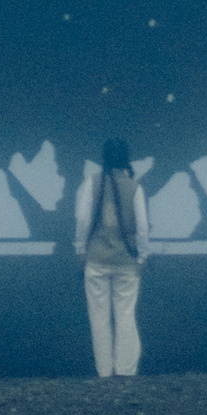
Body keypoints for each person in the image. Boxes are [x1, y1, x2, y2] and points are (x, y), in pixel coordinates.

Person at [77, 135, 147, 377]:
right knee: (126, 317)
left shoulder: (91, 183)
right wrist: (142, 257)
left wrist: (80, 249)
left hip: (96, 261)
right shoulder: (135, 186)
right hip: (126, 262)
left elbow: (84, 220)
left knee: (99, 319)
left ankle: (104, 372)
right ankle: (126, 372)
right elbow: (142, 227)